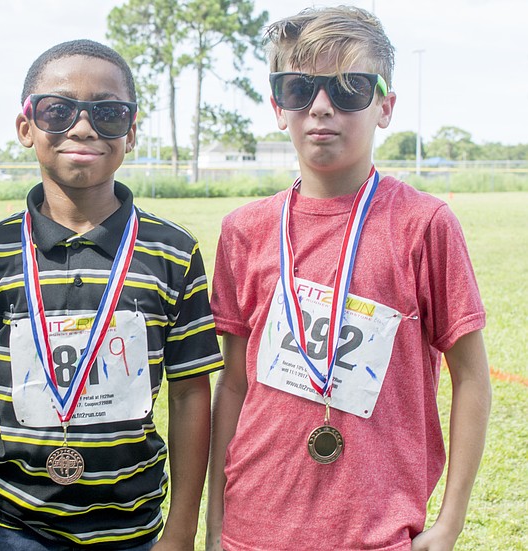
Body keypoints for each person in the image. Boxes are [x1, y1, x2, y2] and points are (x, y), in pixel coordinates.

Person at [205, 6, 491, 551]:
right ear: (276, 105)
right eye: (299, 88)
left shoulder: (424, 225)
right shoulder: (244, 230)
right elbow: (235, 384)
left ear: (385, 106)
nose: (320, 107)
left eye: (349, 88)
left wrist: (449, 524)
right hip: (254, 529)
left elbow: (472, 378)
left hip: (376, 532)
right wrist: (217, 523)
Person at [0, 39, 222, 551]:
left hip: (133, 528)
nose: (84, 127)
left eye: (108, 113)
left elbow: (188, 394)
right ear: (26, 127)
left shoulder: (174, 253)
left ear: (131, 133)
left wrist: (180, 533)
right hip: (11, 526)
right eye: (58, 110)